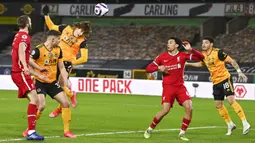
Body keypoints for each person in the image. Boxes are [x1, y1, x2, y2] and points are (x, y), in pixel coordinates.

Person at [186, 37, 250, 135]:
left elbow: (232, 61)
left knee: (231, 100)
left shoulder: (218, 52)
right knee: (218, 105)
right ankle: (230, 124)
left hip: (224, 79)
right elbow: (201, 64)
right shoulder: (203, 55)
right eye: (203, 43)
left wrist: (239, 72)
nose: (203, 45)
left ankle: (245, 123)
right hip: (215, 82)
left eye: (206, 43)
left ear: (211, 44)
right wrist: (188, 64)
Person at [144, 38, 204, 141]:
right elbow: (148, 68)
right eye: (167, 42)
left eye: (171, 42)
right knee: (165, 110)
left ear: (176, 45)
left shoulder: (182, 55)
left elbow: (201, 57)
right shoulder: (162, 56)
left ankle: (182, 133)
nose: (168, 44)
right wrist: (158, 68)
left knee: (189, 107)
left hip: (180, 87)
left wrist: (191, 49)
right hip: (168, 87)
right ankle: (149, 129)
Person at [23, 30, 76, 138]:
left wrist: (65, 80)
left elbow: (61, 67)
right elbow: (28, 65)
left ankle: (66, 131)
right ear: (53, 39)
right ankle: (29, 129)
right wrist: (38, 74)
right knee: (41, 106)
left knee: (66, 103)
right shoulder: (38, 50)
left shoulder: (58, 49)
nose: (60, 41)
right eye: (58, 39)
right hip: (39, 82)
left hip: (52, 83)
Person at [42, 5, 92, 117]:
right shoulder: (66, 28)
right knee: (59, 85)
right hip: (56, 60)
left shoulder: (82, 41)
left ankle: (61, 106)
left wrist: (72, 62)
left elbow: (84, 58)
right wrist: (46, 15)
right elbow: (52, 26)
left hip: (66, 63)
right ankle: (70, 97)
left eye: (83, 32)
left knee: (58, 84)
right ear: (77, 27)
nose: (80, 33)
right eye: (80, 30)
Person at [11, 15, 44, 140]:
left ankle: (31, 131)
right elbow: (21, 51)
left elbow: (19, 54)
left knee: (35, 101)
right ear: (27, 23)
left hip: (18, 72)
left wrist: (38, 69)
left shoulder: (17, 36)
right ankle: (31, 132)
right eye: (30, 20)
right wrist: (24, 67)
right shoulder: (24, 36)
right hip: (20, 72)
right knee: (35, 100)